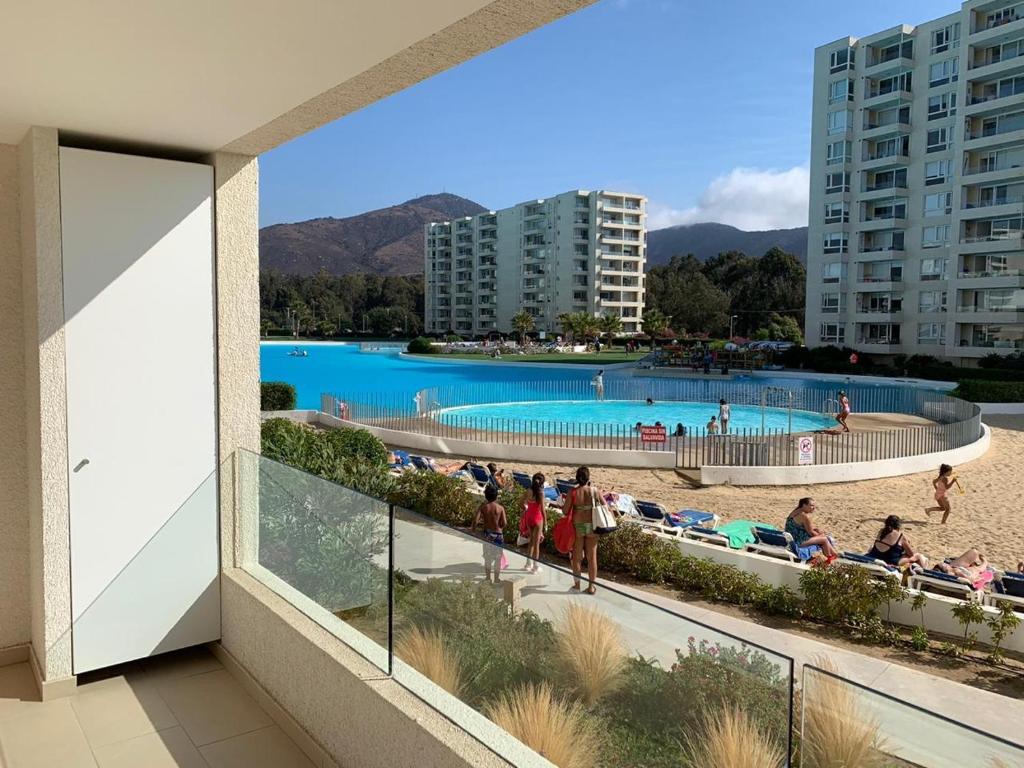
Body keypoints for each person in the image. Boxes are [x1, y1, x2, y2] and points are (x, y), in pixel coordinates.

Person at [563, 466, 602, 594]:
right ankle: (591, 587)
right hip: (592, 526)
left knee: (577, 558)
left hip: (578, 526)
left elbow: (565, 511)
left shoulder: (573, 492)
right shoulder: (595, 491)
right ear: (588, 478)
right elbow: (605, 507)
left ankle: (577, 585)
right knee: (592, 558)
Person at [471, 485, 507, 584]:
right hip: (498, 535)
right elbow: (504, 523)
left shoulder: (484, 507)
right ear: (496, 496)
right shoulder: (500, 508)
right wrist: (500, 527)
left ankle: (488, 578)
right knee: (498, 558)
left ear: (486, 496)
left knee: (487, 558)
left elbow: (475, 520)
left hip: (487, 535)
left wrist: (473, 531)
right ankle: (496, 579)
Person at [519, 473, 547, 574]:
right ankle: (535, 566)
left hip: (529, 517)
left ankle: (527, 564)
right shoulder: (541, 493)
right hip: (537, 518)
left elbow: (520, 502)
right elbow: (543, 510)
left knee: (530, 542)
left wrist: (525, 508)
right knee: (536, 544)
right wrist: (546, 523)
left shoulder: (528, 491)